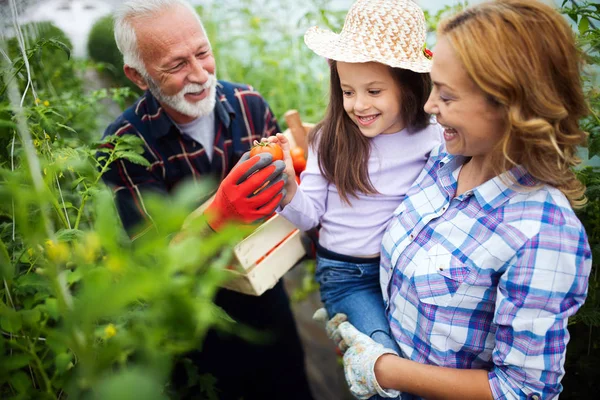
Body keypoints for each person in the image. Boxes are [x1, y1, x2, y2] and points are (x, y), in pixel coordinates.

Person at [323, 1, 593, 399]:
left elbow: (522, 391)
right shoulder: (441, 162)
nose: (430, 106)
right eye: (433, 87)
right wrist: (367, 337)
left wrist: (386, 368)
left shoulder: (543, 233)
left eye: (446, 97)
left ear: (510, 105)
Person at [97, 1, 314, 399]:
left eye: (203, 53)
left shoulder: (250, 105)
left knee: (290, 385)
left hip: (267, 291)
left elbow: (287, 205)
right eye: (176, 65)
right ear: (138, 76)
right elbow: (155, 268)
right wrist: (218, 215)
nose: (199, 75)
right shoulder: (122, 147)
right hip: (195, 320)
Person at [267, 1, 442, 398]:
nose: (359, 104)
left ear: (409, 85)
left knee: (426, 361)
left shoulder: (432, 137)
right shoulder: (330, 139)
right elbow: (308, 215)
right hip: (348, 277)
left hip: (401, 273)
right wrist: (287, 190)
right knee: (388, 363)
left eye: (374, 91)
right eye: (348, 91)